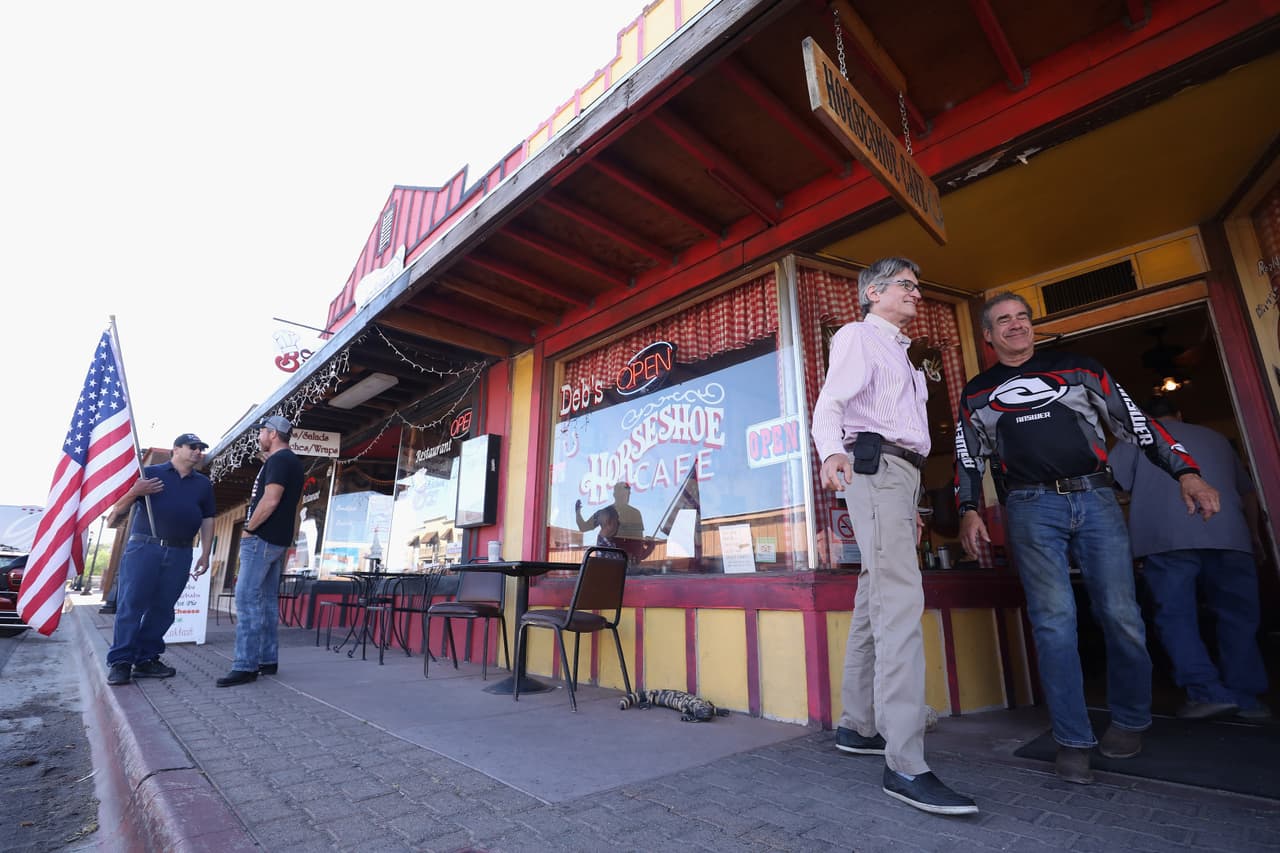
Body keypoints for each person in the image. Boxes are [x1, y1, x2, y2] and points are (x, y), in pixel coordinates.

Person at [955, 293, 1220, 785]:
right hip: (1031, 508)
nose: (1016, 326)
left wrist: (1187, 472)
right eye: (1003, 321)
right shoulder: (977, 392)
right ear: (988, 337)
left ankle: (1130, 719)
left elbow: (1135, 422)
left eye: (1022, 318)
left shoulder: (1078, 367)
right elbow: (969, 457)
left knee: (1121, 615)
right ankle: (1073, 739)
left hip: (1096, 500)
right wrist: (969, 509)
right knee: (1054, 623)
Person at [811, 257, 977, 816]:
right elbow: (831, 403)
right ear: (874, 292)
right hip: (875, 468)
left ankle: (858, 726)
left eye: (918, 286)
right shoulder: (860, 335)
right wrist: (832, 449)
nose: (917, 294)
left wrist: (914, 498)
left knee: (873, 593)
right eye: (907, 285)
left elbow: (907, 436)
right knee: (900, 604)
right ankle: (905, 763)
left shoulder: (904, 355)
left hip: (898, 477)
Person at [1111, 396, 1269, 720]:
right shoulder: (1216, 438)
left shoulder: (1137, 437)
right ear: (1180, 413)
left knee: (1176, 615)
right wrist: (1253, 535)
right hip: (1229, 533)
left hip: (1167, 538)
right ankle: (1247, 698)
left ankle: (1206, 692)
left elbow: (1109, 486)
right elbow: (1248, 492)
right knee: (1238, 617)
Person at [105, 434, 215, 686]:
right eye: (193, 447)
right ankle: (121, 662)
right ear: (176, 449)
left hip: (181, 552)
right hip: (145, 548)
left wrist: (206, 553)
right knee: (131, 605)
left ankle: (146, 659)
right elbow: (116, 510)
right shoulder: (149, 472)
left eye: (201, 449)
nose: (199, 452)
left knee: (164, 608)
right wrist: (135, 491)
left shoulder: (203, 484)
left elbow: (208, 519)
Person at [217, 415, 304, 687]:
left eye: (262, 432)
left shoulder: (280, 461)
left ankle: (245, 665)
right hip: (276, 540)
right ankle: (267, 660)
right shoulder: (291, 462)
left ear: (273, 434)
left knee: (246, 600)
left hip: (262, 538)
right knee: (265, 601)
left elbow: (271, 500)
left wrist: (249, 529)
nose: (259, 437)